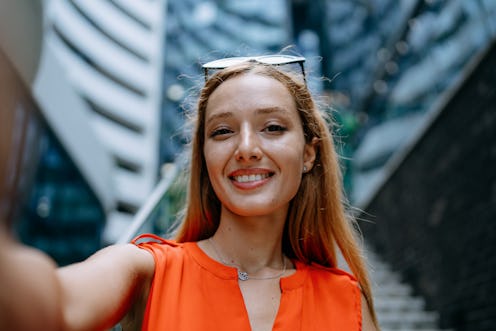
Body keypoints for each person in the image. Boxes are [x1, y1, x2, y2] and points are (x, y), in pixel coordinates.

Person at [1, 54, 379, 330]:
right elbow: (53, 308)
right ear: (205, 157)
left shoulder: (346, 300)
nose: (245, 147)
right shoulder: (143, 270)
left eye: (273, 128)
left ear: (309, 153)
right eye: (222, 132)